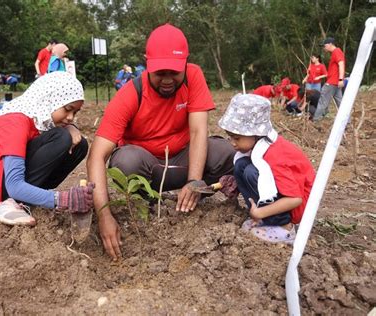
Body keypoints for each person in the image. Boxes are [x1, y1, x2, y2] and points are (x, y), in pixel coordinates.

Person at [87, 24, 236, 260]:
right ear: (147, 65)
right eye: (160, 73)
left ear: (186, 64)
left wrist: (195, 181)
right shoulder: (130, 94)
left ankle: (191, 197)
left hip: (183, 161)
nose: (167, 80)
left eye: (174, 73)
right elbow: (97, 155)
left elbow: (198, 132)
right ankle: (145, 201)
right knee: (125, 161)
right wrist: (104, 216)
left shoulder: (193, 76)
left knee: (226, 152)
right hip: (148, 171)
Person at [0, 72, 94, 225]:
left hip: (7, 178)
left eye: (75, 112)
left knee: (79, 145)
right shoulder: (15, 121)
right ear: (49, 100)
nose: (70, 117)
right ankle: (9, 204)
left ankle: (30, 197)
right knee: (62, 138)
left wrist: (71, 127)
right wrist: (63, 199)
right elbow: (14, 185)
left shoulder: (38, 118)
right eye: (67, 109)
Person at [218, 94, 315, 244]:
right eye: (230, 137)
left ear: (256, 134)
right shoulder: (258, 148)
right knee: (241, 166)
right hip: (285, 197)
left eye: (237, 138)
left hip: (300, 205)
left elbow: (295, 199)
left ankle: (284, 227)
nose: (232, 143)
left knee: (250, 171)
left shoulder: (275, 155)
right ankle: (266, 219)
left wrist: (261, 211)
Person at [313, 37, 345, 121]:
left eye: (325, 45)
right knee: (340, 103)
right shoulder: (335, 52)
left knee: (322, 100)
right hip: (335, 83)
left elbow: (341, 64)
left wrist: (341, 79)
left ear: (330, 44)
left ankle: (315, 119)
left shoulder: (336, 51)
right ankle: (346, 121)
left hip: (332, 82)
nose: (324, 48)